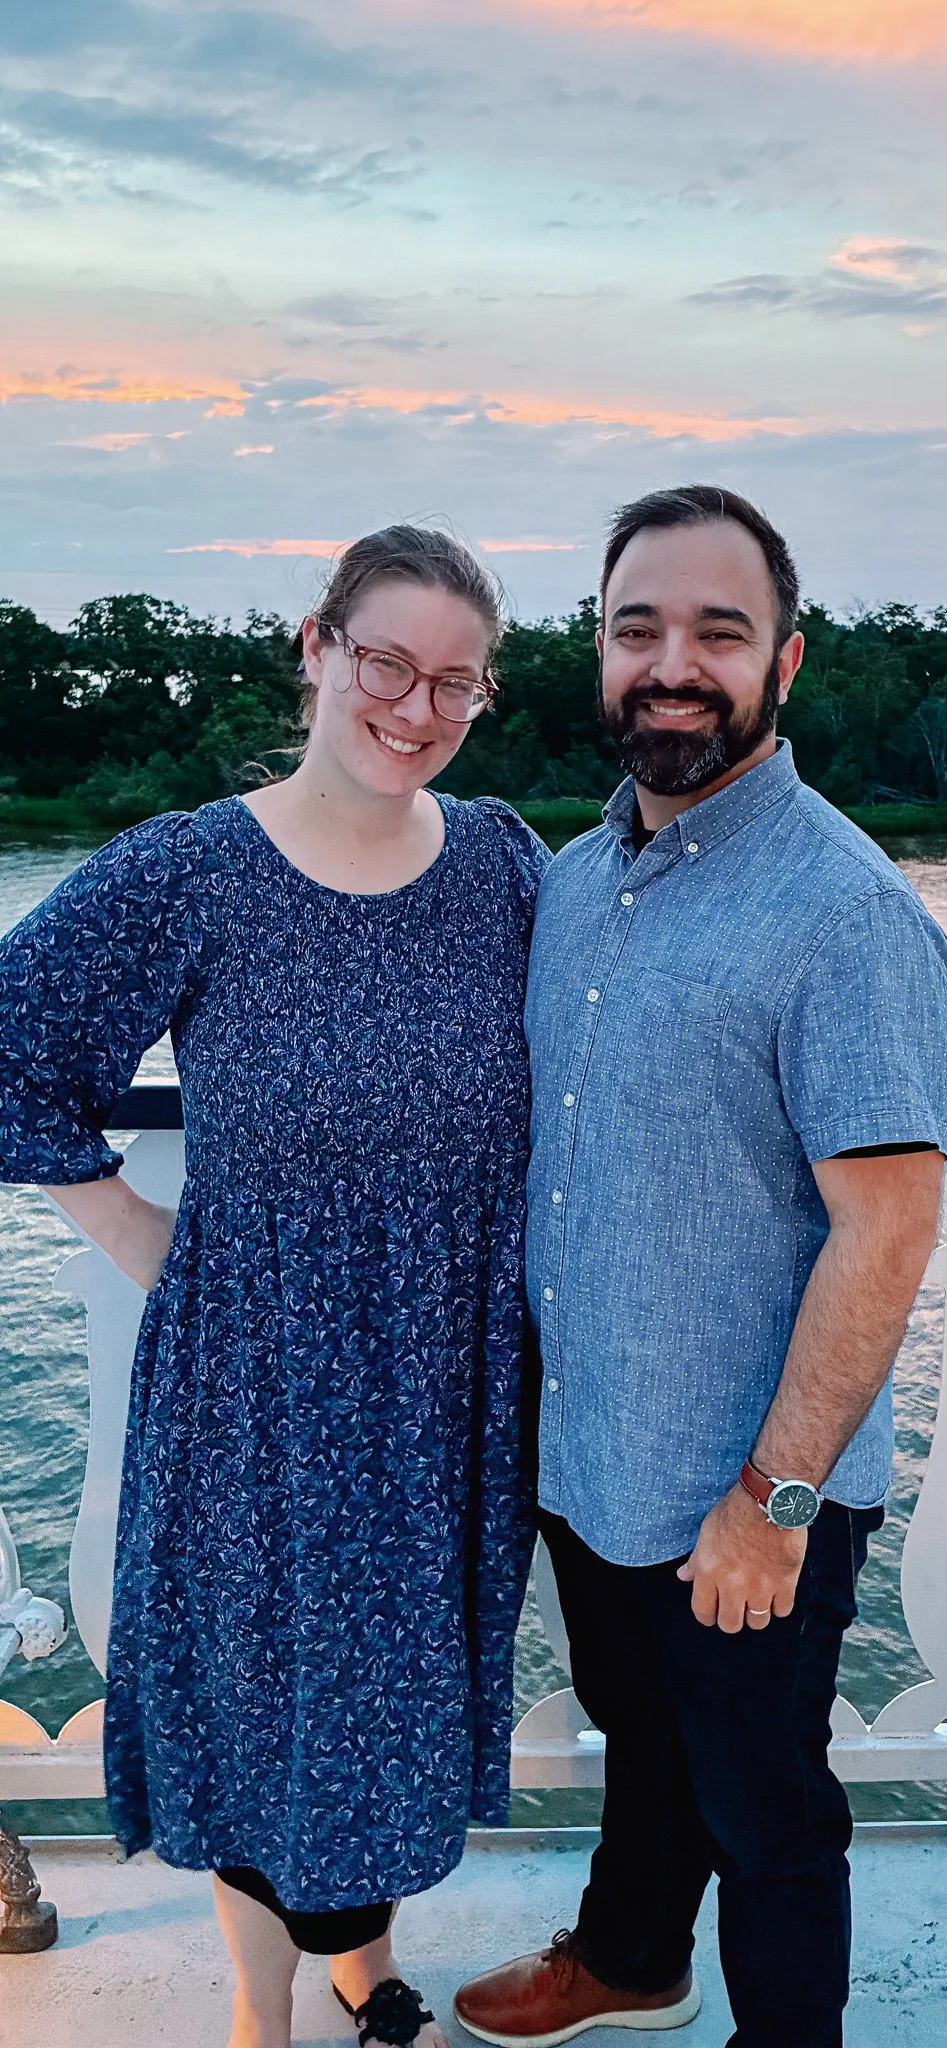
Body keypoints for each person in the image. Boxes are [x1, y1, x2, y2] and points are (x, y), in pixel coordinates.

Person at [0, 526, 549, 2048]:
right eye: (387, 662)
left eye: (455, 680)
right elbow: (12, 1049)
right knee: (264, 1707)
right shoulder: (192, 866)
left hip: (447, 1382)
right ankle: (265, 2011)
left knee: (385, 1713)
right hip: (261, 1386)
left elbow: (622, 1041)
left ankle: (364, 1967)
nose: (416, 705)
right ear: (316, 648)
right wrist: (140, 1238)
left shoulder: (504, 861)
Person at [453, 486, 947, 2048]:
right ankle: (630, 1956)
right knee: (639, 1738)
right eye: (635, 628)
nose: (672, 664)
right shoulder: (572, 878)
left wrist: (774, 1502)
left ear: (783, 662)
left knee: (767, 1809)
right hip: (594, 1451)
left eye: (715, 633)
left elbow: (888, 1223)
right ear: (596, 655)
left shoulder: (845, 911)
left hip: (748, 1489)